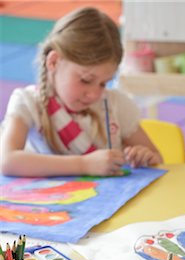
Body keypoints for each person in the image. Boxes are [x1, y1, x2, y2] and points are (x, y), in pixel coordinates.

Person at [0, 7, 163, 177]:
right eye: (85, 80)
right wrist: (84, 164)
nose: (94, 94)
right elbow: (7, 161)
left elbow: (157, 158)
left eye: (103, 83)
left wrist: (145, 157)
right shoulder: (27, 103)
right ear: (54, 62)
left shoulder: (116, 105)